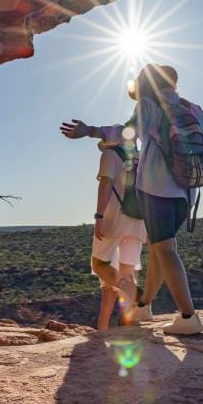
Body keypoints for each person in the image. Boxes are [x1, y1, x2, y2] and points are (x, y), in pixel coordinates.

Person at [60, 64, 203, 334]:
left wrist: (89, 130)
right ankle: (144, 306)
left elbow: (126, 133)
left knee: (165, 251)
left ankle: (188, 317)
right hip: (187, 194)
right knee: (162, 250)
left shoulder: (148, 106)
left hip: (155, 190)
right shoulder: (191, 108)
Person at [90, 141, 147, 330]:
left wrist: (99, 215)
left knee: (99, 265)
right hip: (138, 221)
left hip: (114, 219)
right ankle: (129, 325)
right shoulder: (141, 158)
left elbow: (106, 183)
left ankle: (136, 295)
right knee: (128, 272)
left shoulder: (109, 154)